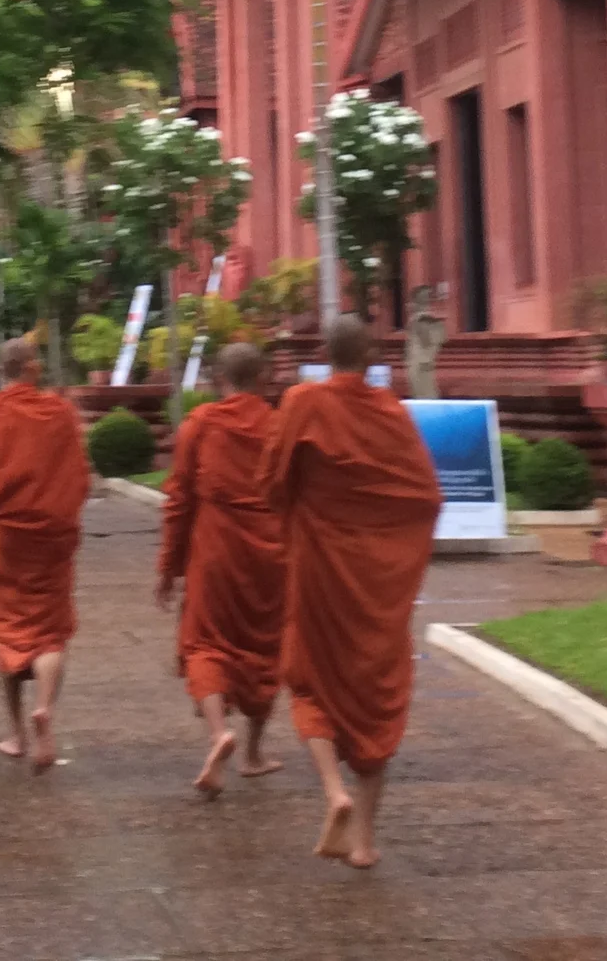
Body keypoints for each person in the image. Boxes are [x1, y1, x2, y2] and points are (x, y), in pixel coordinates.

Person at [262, 314, 441, 871]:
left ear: (324, 353)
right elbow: (425, 496)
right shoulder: (390, 412)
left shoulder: (302, 403)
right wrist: (394, 550)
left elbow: (271, 480)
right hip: (376, 579)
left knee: (309, 676)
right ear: (373, 359)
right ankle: (363, 841)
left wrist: (301, 511)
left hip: (319, 564)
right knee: (374, 687)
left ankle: (332, 789)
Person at [155, 341, 286, 797]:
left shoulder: (201, 424)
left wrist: (168, 568)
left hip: (216, 554)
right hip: (272, 555)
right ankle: (252, 753)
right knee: (264, 648)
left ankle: (218, 734)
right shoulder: (280, 427)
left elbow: (179, 500)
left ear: (219, 380)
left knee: (205, 645)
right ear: (263, 378)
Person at [0, 335, 89, 772]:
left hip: (7, 536)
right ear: (31, 367)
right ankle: (45, 707)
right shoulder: (61, 412)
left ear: (1, 370)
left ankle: (16, 734)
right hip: (53, 537)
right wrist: (61, 511)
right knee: (49, 631)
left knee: (9, 629)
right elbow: (80, 477)